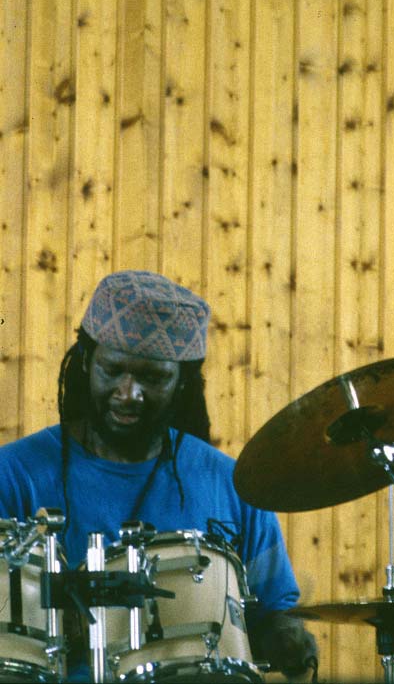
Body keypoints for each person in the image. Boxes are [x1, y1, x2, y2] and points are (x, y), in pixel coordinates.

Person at [0, 270, 317, 680]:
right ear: (85, 363)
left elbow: (273, 611)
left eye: (152, 377)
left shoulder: (232, 484)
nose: (128, 392)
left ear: (182, 382)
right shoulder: (13, 474)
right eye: (112, 370)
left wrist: (288, 635)